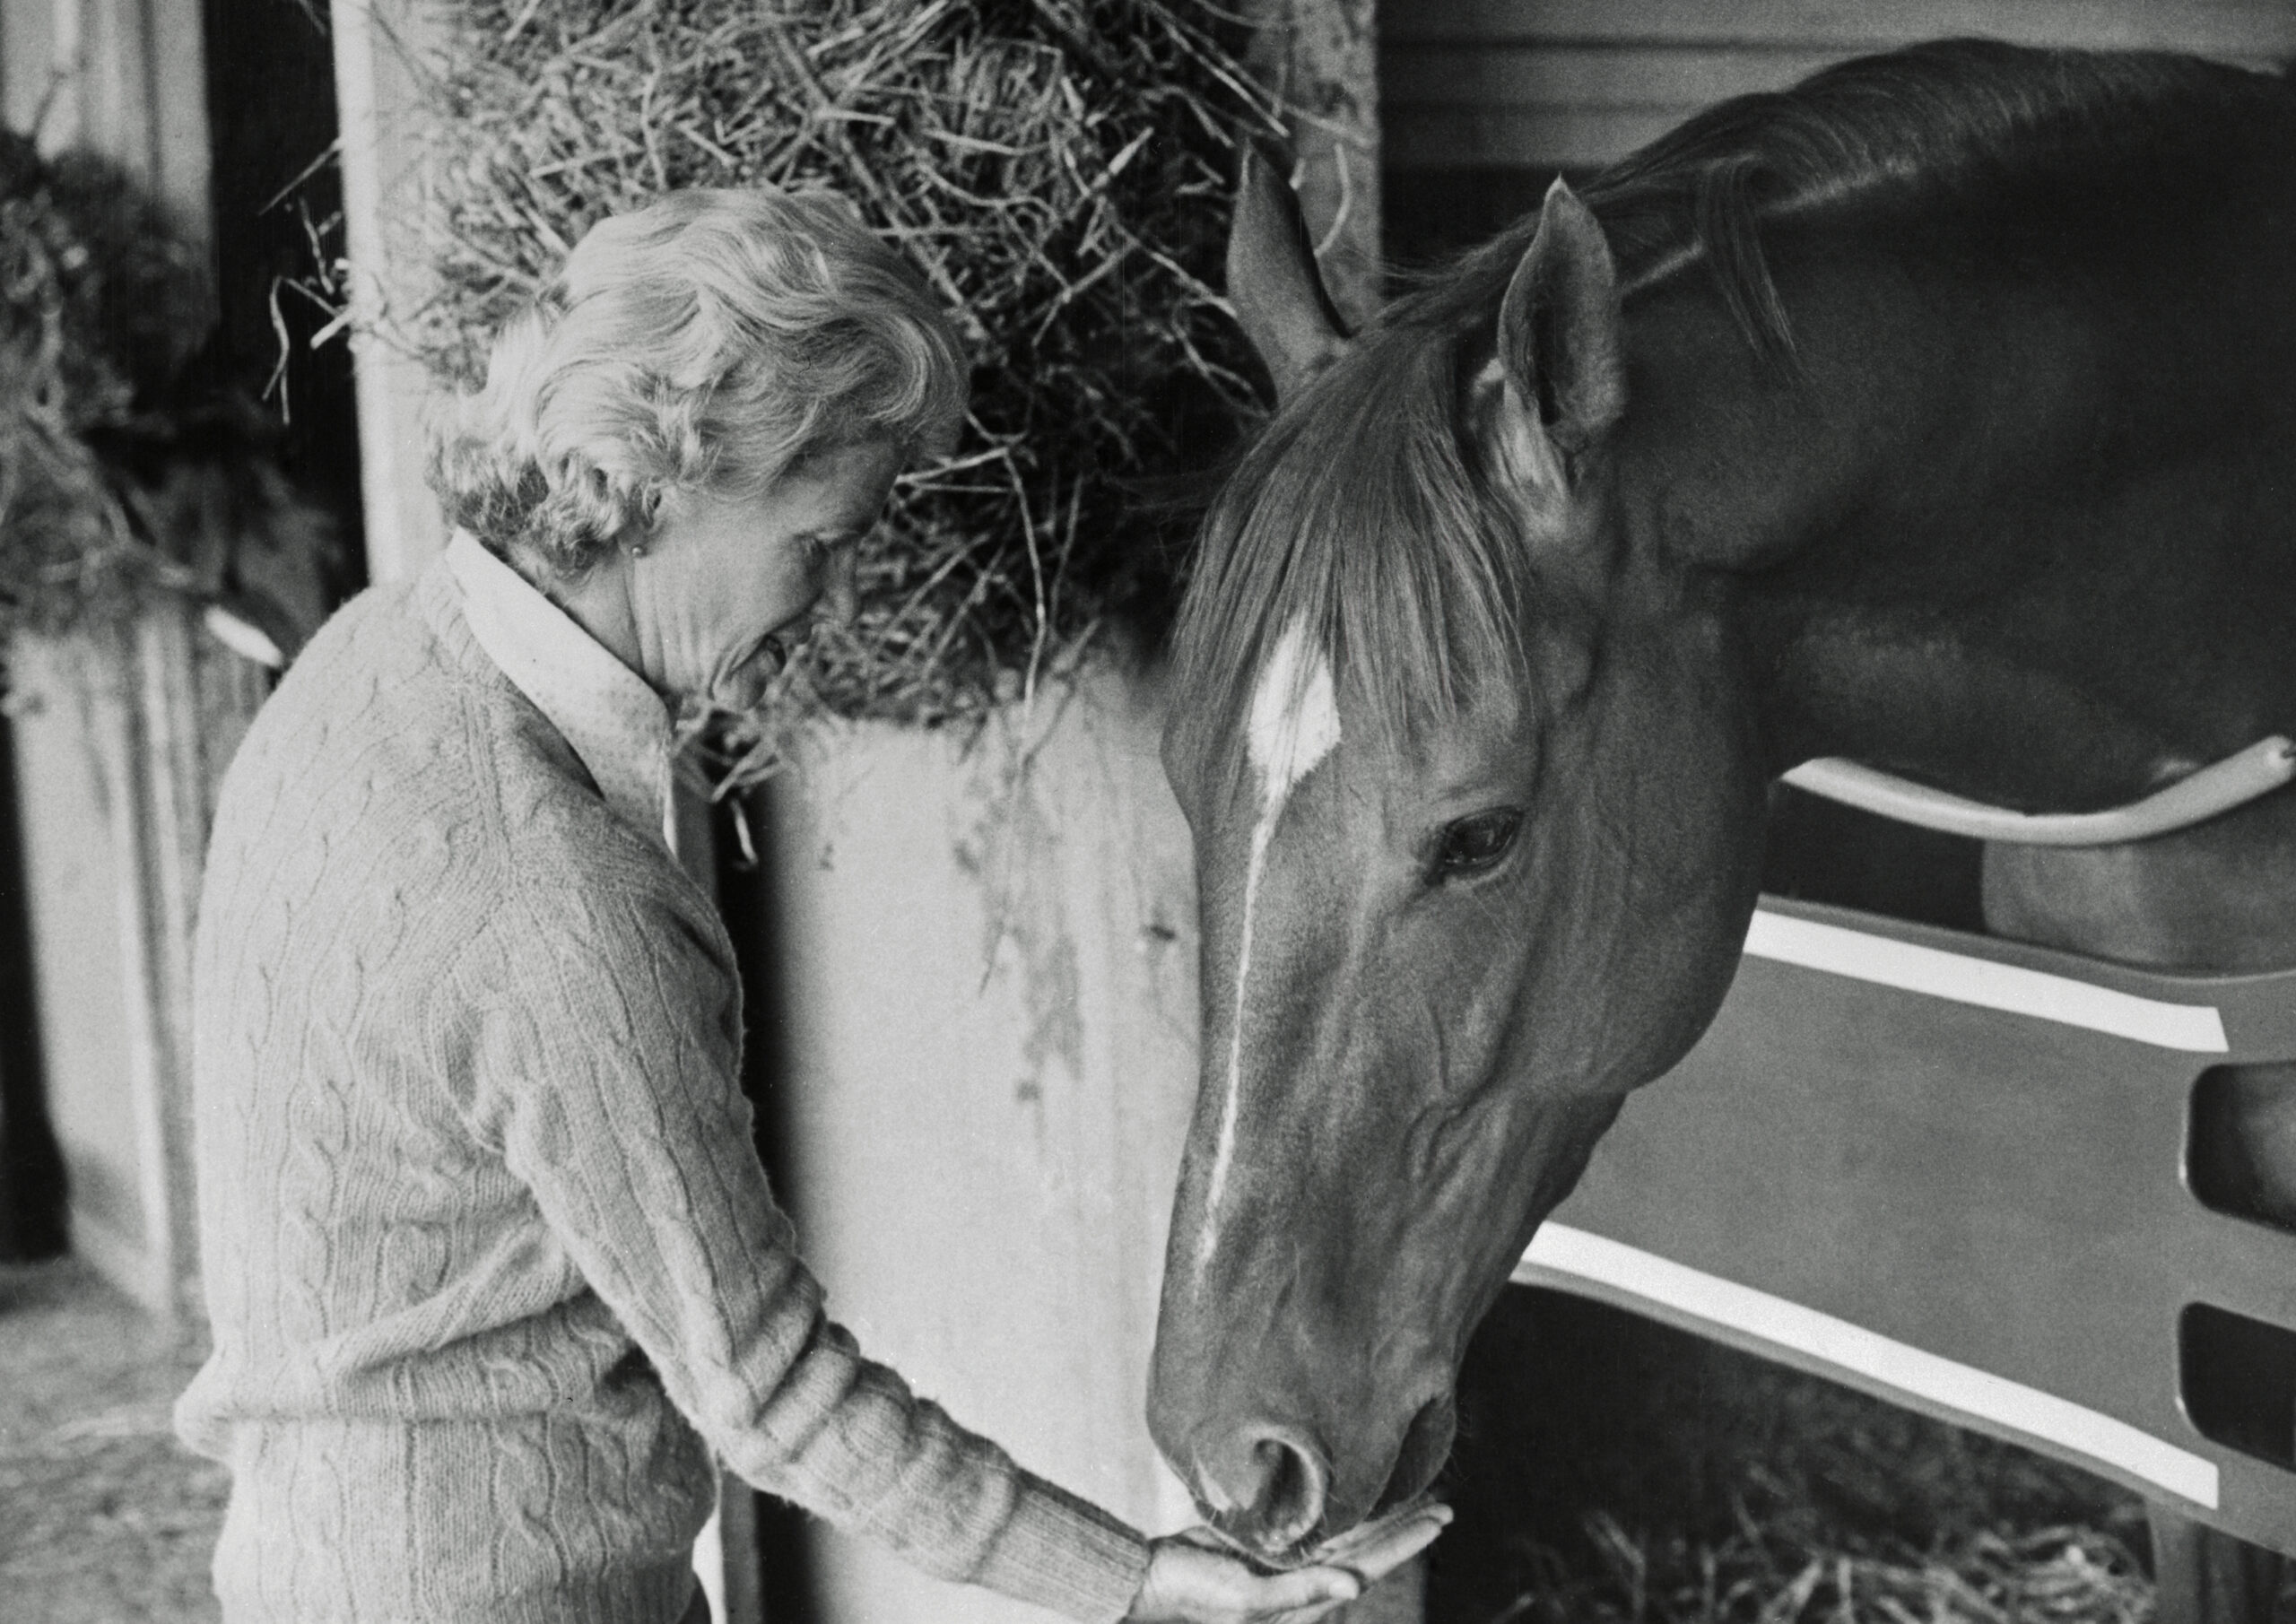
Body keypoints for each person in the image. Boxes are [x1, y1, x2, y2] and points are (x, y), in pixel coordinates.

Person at [173, 187, 1447, 1624]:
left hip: (303, 1563)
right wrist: (1134, 1581)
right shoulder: (556, 896)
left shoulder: (364, 664)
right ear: (680, 472)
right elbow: (766, 1387)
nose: (829, 598)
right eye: (824, 540)